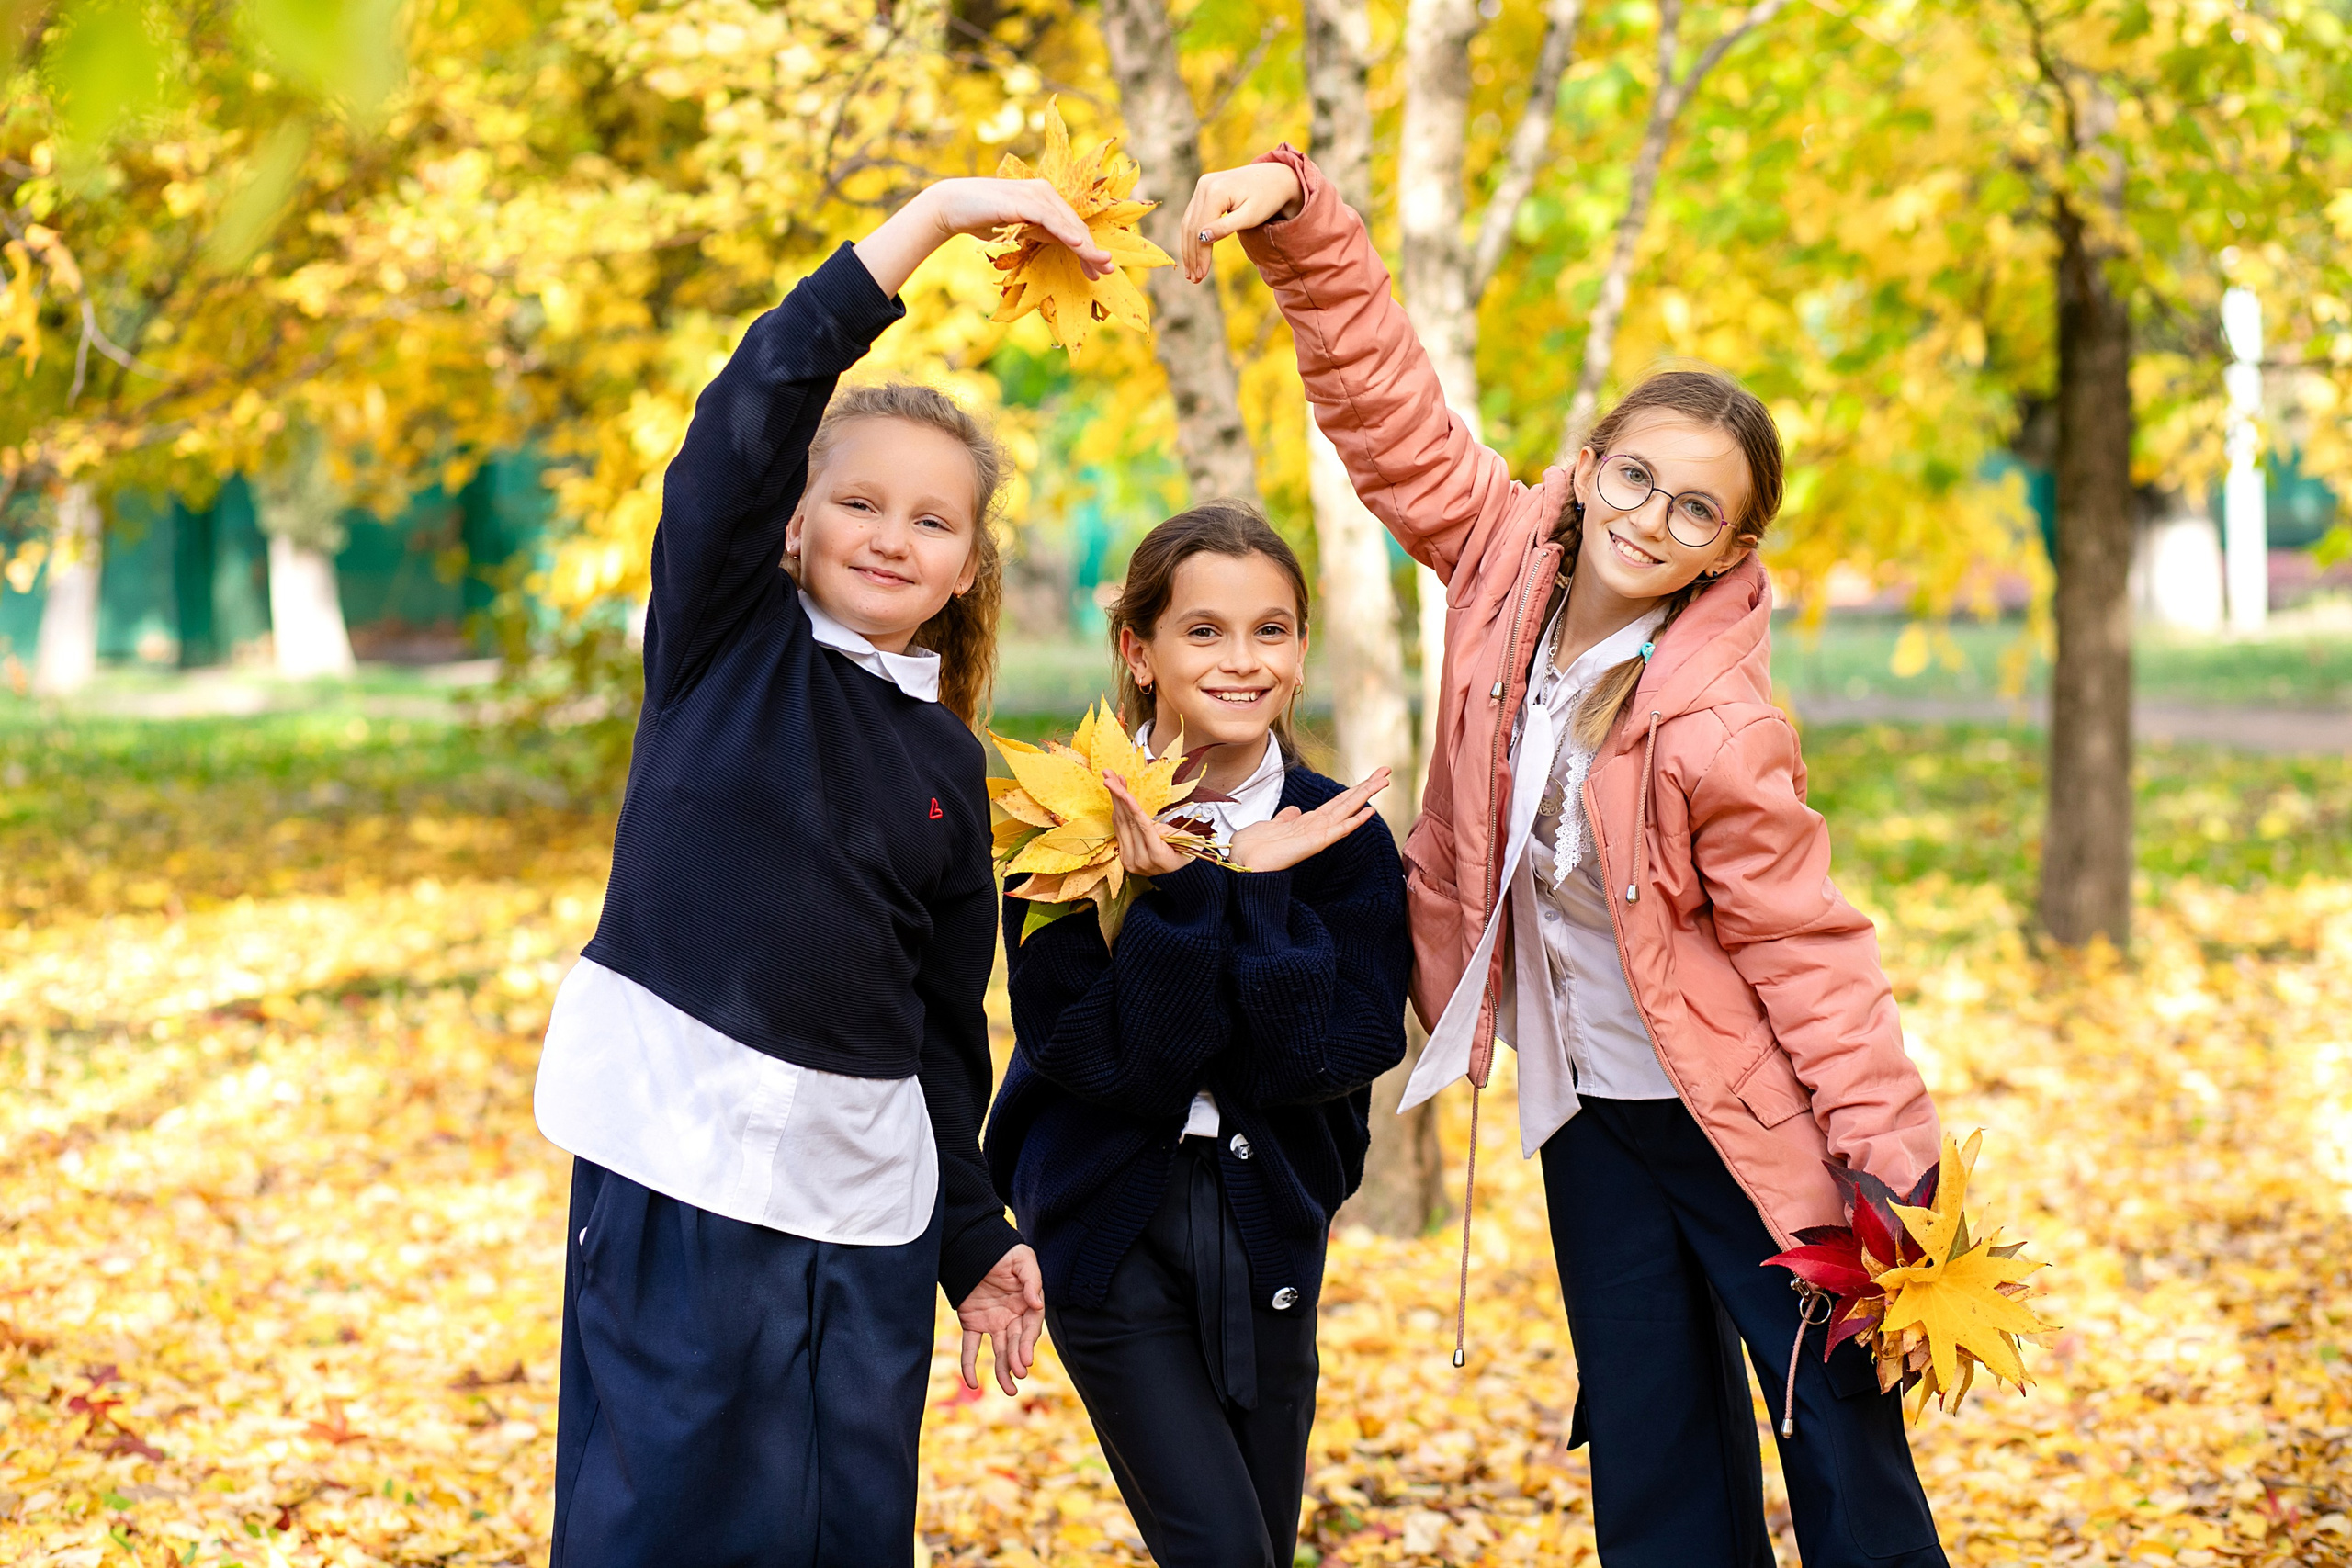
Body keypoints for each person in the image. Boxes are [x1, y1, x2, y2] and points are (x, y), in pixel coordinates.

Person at [1180, 150, 1951, 1567]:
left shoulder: (1722, 721)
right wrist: (1298, 221)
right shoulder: (1499, 564)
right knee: (1653, 1440)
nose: (1651, 517)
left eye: (1694, 509)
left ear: (1732, 547)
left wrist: (1890, 1162)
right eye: (1637, 476)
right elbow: (1387, 403)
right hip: (1589, 1105)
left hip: (1743, 1122)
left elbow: (1807, 947)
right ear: (1589, 465)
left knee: (1839, 1439)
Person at [531, 177, 1115, 1568]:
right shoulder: (721, 644)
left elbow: (939, 1022)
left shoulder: (949, 767)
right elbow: (749, 409)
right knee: (657, 1520)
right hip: (675, 1156)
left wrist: (972, 1236)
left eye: (930, 520)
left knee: (839, 1527)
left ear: (969, 565)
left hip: (857, 1211)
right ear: (791, 522)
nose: (889, 534)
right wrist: (930, 219)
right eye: (857, 500)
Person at [984, 502, 1412, 1568]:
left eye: (1271, 630)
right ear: (1139, 650)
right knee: (1220, 1549)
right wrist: (1186, 901)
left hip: (1270, 1220)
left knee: (1258, 1543)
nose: (1242, 660)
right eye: (1203, 631)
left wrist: (1260, 886)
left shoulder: (1342, 840)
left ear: (1303, 652)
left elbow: (1325, 1055)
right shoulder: (1062, 829)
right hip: (1107, 1227)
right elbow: (1110, 1065)